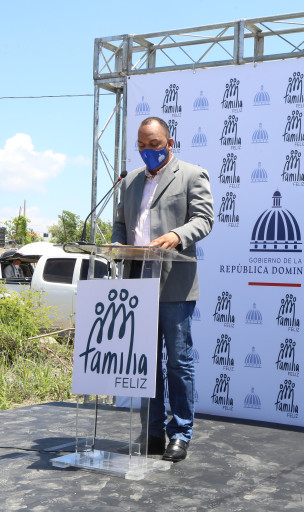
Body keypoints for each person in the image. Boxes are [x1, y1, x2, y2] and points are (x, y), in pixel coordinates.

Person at [111, 116, 214, 462]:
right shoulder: (130, 181)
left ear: (169, 143)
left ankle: (180, 433)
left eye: (154, 145)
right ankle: (152, 432)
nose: (147, 151)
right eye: (141, 146)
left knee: (178, 362)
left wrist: (176, 235)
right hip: (137, 283)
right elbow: (121, 223)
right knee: (146, 362)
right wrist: (117, 244)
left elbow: (204, 219)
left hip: (174, 283)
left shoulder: (192, 175)